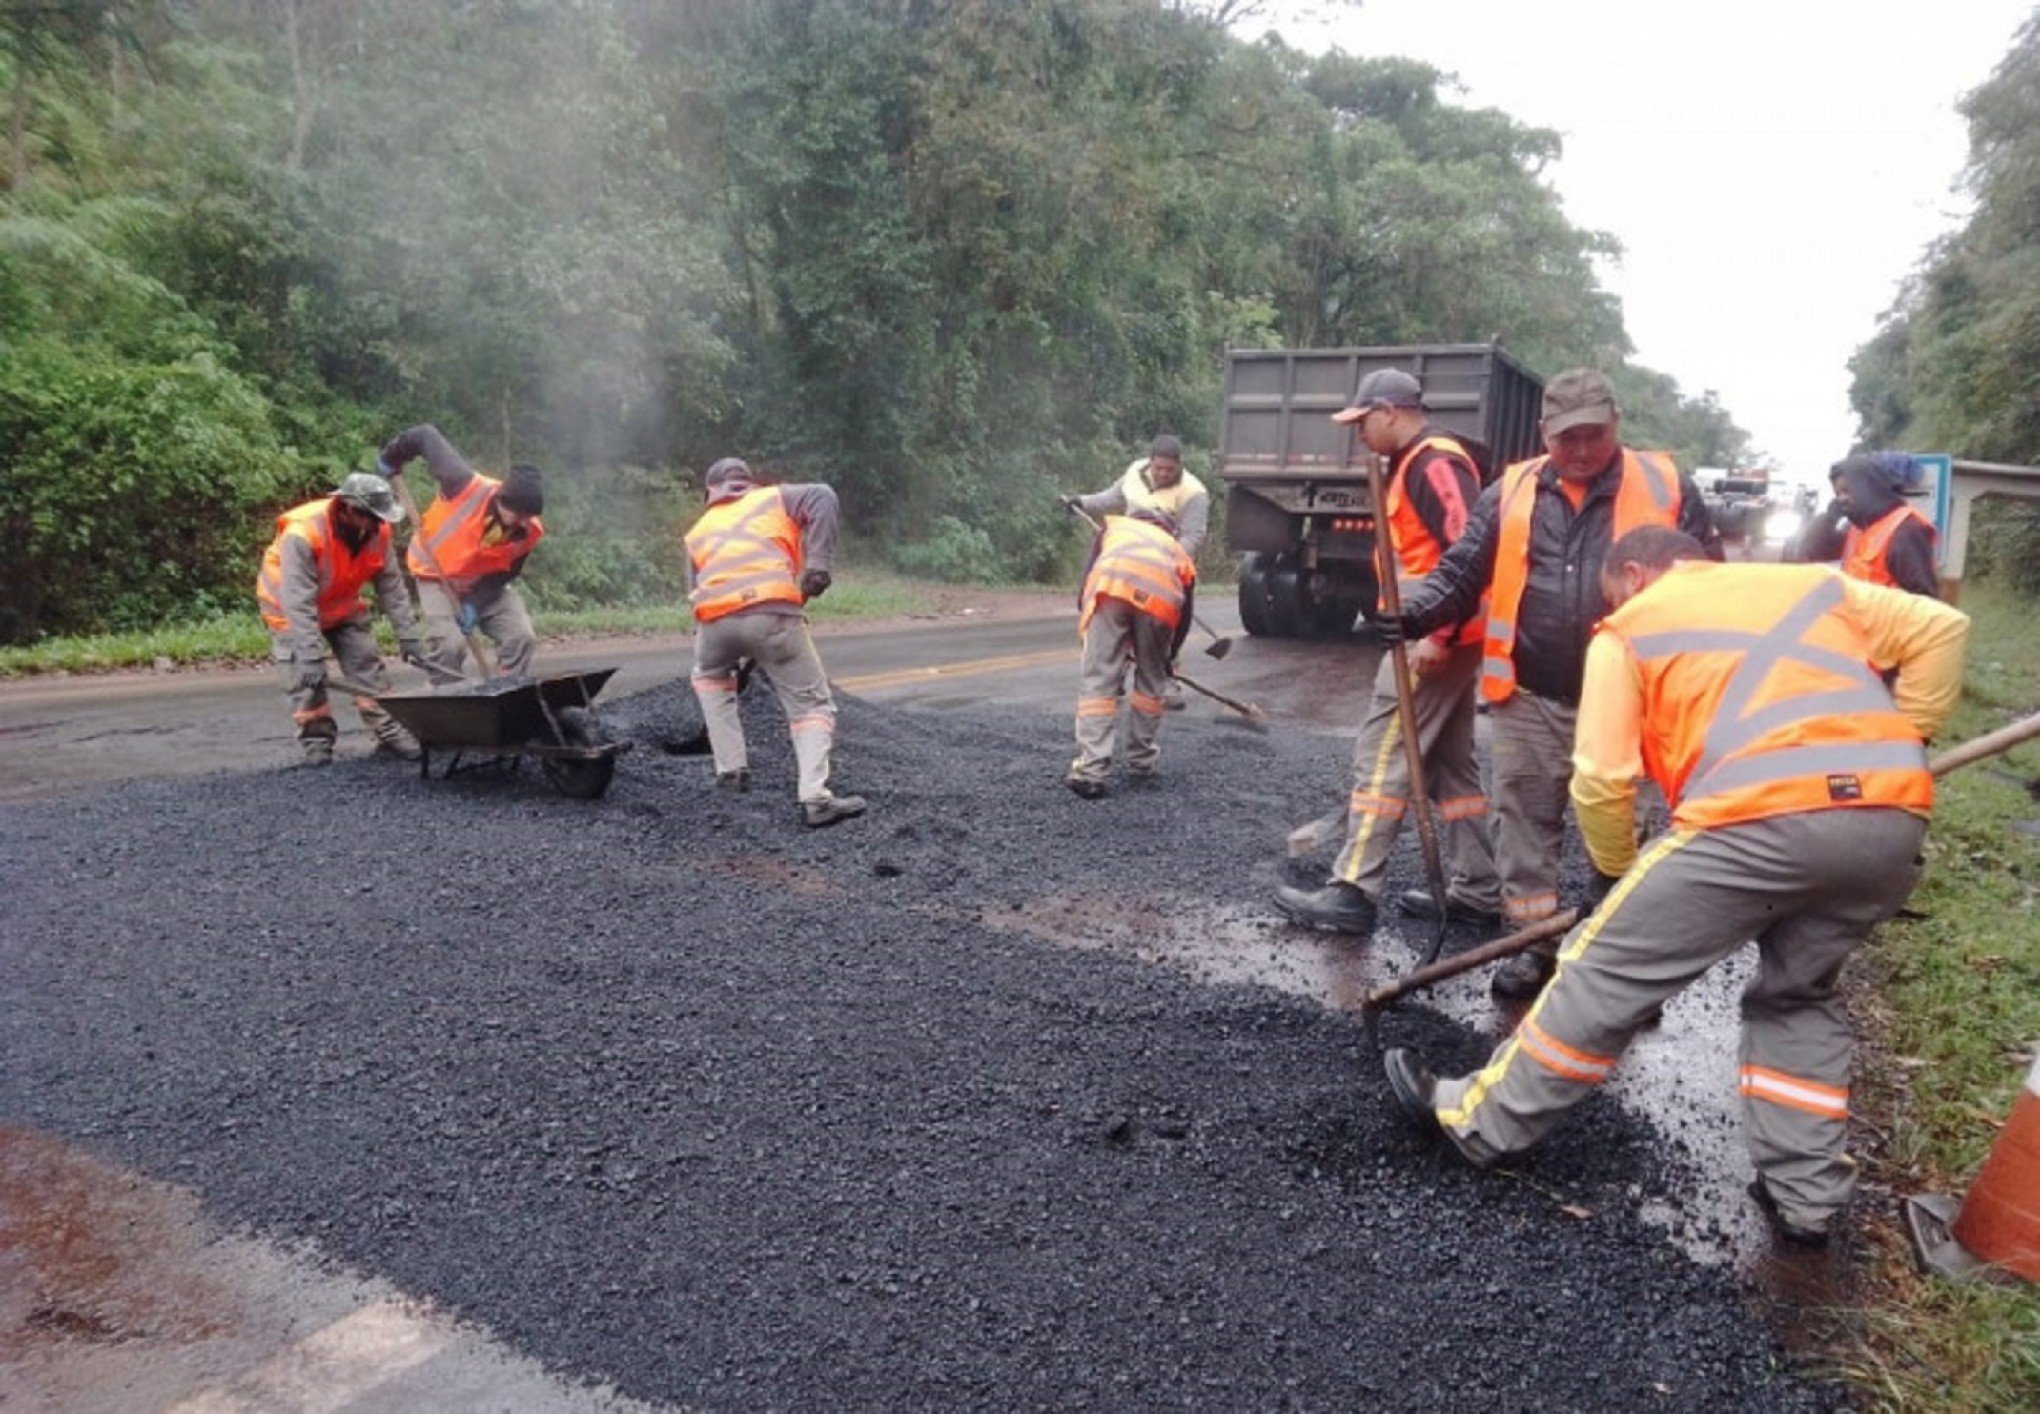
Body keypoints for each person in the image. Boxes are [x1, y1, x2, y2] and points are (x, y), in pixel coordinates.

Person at [1381, 526, 1970, 1247]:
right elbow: (1945, 625)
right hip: (1888, 821)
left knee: (1603, 969)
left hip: (1753, 822)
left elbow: (1600, 779)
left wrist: (1615, 873)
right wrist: (1909, 736)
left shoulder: (1629, 628)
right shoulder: (1814, 586)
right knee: (1798, 996)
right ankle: (1806, 1196)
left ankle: (1480, 1122)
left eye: (1610, 592)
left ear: (1632, 574)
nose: (1611, 604)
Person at [1379, 368, 1723, 998]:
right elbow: (1461, 570)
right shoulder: (1509, 491)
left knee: (1634, 836)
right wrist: (1416, 615)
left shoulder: (1667, 484)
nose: (1583, 448)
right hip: (1531, 694)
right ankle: (1532, 948)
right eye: (1569, 438)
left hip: (1636, 704)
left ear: (1616, 423)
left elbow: (1711, 585)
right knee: (1524, 828)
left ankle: (1618, 973)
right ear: (1545, 434)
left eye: (1594, 433)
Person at [1274, 368, 1500, 936]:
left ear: (1391, 412)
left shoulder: (1434, 463)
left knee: (1382, 753)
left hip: (1432, 640)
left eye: (1362, 421)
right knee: (1450, 767)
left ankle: (1353, 888)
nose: (1359, 434)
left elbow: (1471, 553)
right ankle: (1478, 889)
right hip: (1439, 635)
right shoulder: (1415, 463)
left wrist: (1437, 635)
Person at [685, 457, 865, 827]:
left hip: (713, 625)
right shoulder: (772, 499)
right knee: (811, 705)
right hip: (771, 616)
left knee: (709, 678)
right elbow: (824, 497)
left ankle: (731, 772)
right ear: (746, 483)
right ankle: (815, 798)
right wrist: (818, 566)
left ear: (710, 491)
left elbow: (695, 592)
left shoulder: (697, 531)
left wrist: (725, 641)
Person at [255, 473, 428, 766]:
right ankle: (316, 743)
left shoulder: (378, 532)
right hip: (289, 611)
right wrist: (310, 655)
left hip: (342, 604)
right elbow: (298, 600)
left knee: (367, 667)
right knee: (305, 680)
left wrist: (407, 634)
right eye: (373, 518)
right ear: (349, 510)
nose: (379, 524)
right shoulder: (303, 535)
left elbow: (391, 586)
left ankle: (389, 733)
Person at [376, 425, 546, 678]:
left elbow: (505, 574)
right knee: (449, 646)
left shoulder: (530, 530)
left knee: (521, 636)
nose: (524, 522)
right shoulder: (463, 484)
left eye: (528, 516)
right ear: (502, 500)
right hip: (435, 576)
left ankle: (507, 690)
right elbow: (425, 435)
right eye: (519, 515)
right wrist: (392, 456)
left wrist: (474, 603)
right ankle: (448, 703)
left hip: (481, 585)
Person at [1065, 505, 1197, 798]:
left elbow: (1088, 578)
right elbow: (1185, 615)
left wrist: (1092, 623)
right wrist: (1168, 658)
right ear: (1168, 529)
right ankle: (1141, 761)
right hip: (1161, 605)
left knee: (1099, 682)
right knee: (1151, 684)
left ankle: (1092, 771)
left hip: (1110, 591)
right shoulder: (1176, 550)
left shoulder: (1113, 529)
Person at [1794, 452, 1939, 598]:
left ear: (1868, 488)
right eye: (1837, 493)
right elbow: (1812, 552)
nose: (1841, 499)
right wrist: (1829, 518)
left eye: (1847, 490)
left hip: (1886, 620)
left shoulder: (1905, 529)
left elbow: (1923, 598)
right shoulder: (1858, 529)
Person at [1065, 433, 1210, 556]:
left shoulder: (1194, 492)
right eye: (1158, 468)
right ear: (1150, 461)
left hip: (1165, 555)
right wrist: (1081, 502)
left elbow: (1192, 537)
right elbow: (1112, 499)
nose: (1163, 474)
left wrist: (1168, 557)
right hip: (1126, 547)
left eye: (1170, 470)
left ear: (1180, 464)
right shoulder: (1135, 470)